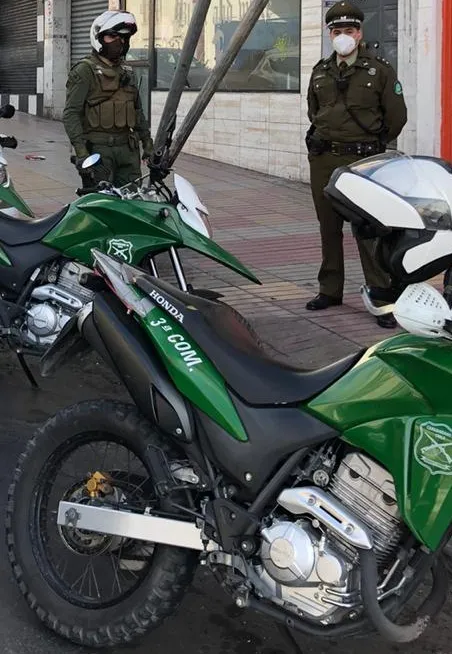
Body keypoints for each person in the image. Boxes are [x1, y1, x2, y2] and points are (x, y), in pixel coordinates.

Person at [305, 1, 407, 328]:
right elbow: (313, 111)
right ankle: (329, 289)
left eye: (349, 30)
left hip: (363, 160)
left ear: (360, 33)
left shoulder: (379, 70)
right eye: (337, 31)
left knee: (368, 228)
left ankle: (381, 295)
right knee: (328, 226)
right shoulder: (321, 70)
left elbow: (396, 117)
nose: (343, 36)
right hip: (324, 158)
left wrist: (373, 146)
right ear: (329, 34)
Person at [63, 10, 153, 188]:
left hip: (128, 151)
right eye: (112, 36)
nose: (120, 42)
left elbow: (137, 112)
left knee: (131, 199)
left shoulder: (127, 71)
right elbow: (71, 114)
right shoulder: (84, 70)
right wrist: (81, 152)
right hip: (99, 152)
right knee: (101, 200)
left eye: (124, 38)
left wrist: (148, 144)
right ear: (98, 38)